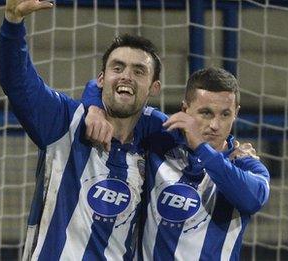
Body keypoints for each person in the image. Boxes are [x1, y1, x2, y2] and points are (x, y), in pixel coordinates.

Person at [0, 0, 164, 260]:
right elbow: (17, 82)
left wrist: (234, 148)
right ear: (101, 79)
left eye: (138, 71)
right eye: (117, 68)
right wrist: (13, 23)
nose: (126, 77)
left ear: (154, 87)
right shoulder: (66, 122)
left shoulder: (156, 144)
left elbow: (200, 133)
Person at [85, 67, 270, 260]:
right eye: (206, 113)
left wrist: (201, 146)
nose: (215, 125)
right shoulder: (162, 135)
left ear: (236, 113)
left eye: (225, 115)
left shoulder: (245, 165)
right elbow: (98, 86)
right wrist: (95, 110)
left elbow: (253, 199)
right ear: (185, 109)